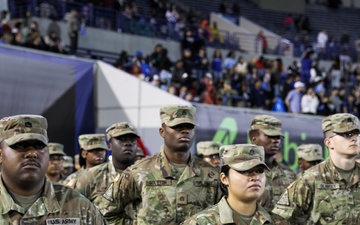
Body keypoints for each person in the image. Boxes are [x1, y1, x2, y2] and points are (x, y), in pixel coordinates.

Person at [99, 105, 221, 224]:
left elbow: (226, 213)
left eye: (190, 127)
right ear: (162, 132)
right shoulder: (139, 172)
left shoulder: (211, 174)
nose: (185, 131)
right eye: (177, 126)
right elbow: (106, 212)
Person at [0, 114, 107, 224]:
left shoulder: (79, 206)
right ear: (0, 155)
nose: (32, 153)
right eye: (20, 145)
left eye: (39, 146)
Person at [273, 113, 360, 224]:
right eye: (346, 134)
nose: (354, 138)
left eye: (356, 134)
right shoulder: (310, 179)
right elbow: (280, 219)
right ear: (329, 142)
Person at [182, 144, 290, 225]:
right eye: (245, 171)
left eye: (259, 171)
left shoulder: (279, 222)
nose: (255, 177)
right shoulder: (201, 222)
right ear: (224, 178)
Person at [73, 122, 140, 224]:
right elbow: (73, 212)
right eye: (121, 139)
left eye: (132, 139)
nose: (128, 143)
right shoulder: (89, 177)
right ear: (109, 145)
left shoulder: (148, 175)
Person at [249, 115, 296, 211]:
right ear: (254, 139)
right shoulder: (241, 173)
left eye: (278, 137)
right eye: (270, 136)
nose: (276, 141)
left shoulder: (289, 174)